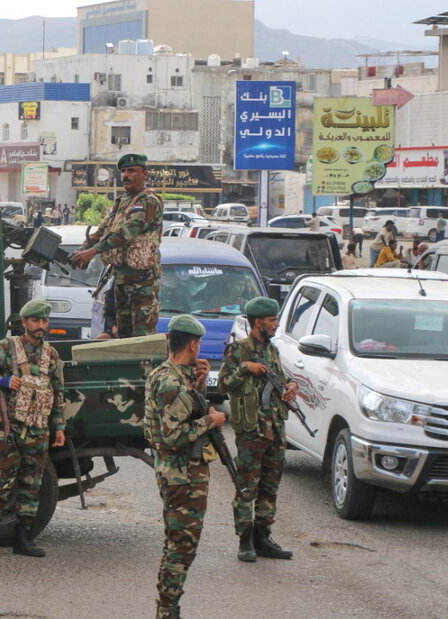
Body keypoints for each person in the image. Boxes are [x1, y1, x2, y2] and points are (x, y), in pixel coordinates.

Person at [144, 314, 226, 619]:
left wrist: (199, 386)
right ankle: (167, 609)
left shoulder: (164, 374)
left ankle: (168, 606)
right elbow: (173, 434)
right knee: (182, 545)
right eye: (199, 343)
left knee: (175, 541)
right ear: (192, 344)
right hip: (183, 476)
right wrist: (211, 420)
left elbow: (180, 415)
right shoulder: (172, 383)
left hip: (176, 472)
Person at [0, 298, 66, 560]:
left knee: (31, 485)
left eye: (44, 321)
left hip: (38, 430)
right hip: (9, 429)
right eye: (35, 321)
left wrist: (58, 427)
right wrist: (1, 380)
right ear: (24, 322)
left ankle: (23, 538)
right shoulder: (7, 348)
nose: (40, 326)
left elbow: (57, 394)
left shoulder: (52, 355)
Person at [218, 297, 298, 564]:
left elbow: (279, 377)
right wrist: (245, 368)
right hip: (252, 431)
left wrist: (290, 386)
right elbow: (223, 385)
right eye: (272, 320)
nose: (276, 324)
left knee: (269, 487)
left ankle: (263, 538)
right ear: (258, 322)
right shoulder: (239, 350)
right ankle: (245, 540)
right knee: (246, 488)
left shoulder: (271, 350)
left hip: (275, 430)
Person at [70, 153, 164, 338]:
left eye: (132, 171)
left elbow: (125, 233)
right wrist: (81, 251)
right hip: (122, 282)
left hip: (142, 284)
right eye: (123, 171)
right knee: (123, 338)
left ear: (144, 174)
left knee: (141, 339)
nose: (126, 175)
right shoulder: (122, 202)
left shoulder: (148, 201)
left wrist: (92, 252)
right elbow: (102, 231)